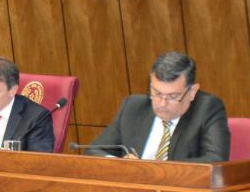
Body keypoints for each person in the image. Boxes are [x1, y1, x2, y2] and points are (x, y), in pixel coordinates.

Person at [86, 51, 228, 162]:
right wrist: (122, 165)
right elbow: (94, 150)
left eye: (173, 96)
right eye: (157, 93)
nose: (162, 103)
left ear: (192, 92)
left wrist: (154, 170)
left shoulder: (207, 109)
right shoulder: (133, 107)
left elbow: (215, 161)